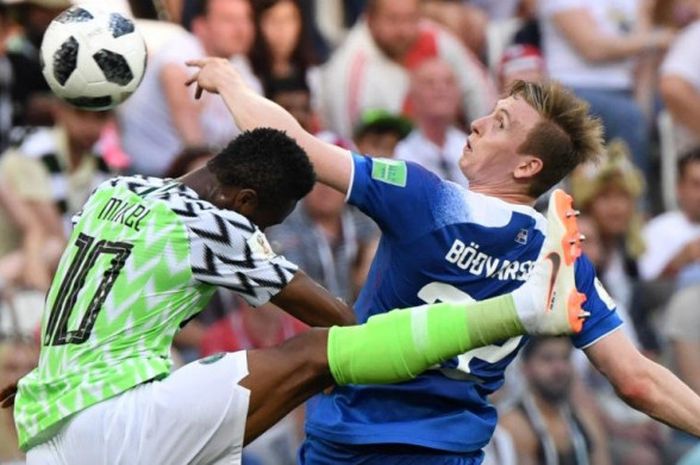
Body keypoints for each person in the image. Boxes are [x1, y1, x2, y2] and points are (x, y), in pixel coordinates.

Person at [185, 57, 700, 465]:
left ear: (527, 165)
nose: (475, 124)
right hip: (450, 452)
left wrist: (229, 81)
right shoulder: (559, 258)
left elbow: (292, 145)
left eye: (499, 123)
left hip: (352, 444)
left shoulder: (425, 196)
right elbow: (637, 380)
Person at [3, 122, 592, 464]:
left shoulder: (116, 191)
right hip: (118, 425)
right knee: (313, 354)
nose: (264, 233)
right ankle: (522, 307)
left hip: (51, 432)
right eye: (271, 222)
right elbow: (336, 319)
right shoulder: (219, 225)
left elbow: (78, 299)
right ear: (247, 201)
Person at [118, 0, 261, 176]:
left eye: (246, 19)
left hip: (194, 175)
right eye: (228, 20)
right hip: (147, 178)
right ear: (200, 26)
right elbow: (192, 141)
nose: (241, 29)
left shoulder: (243, 70)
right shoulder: (183, 48)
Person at [319, 0, 496, 138]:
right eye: (392, 20)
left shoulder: (431, 36)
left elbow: (480, 92)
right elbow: (352, 146)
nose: (403, 30)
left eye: (411, 19)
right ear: (370, 18)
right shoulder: (350, 68)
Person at [536, 0, 674, 174]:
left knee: (670, 105)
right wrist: (654, 39)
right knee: (629, 116)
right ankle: (636, 198)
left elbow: (644, 57)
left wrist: (642, 103)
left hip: (627, 90)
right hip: (574, 88)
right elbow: (592, 49)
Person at [500, 336, 612, 465]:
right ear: (525, 368)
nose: (559, 368)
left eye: (565, 358)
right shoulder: (513, 425)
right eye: (547, 359)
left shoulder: (587, 419)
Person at [394, 58, 468, 184]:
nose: (441, 89)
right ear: (413, 97)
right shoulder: (402, 156)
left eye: (449, 82)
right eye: (429, 83)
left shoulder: (471, 148)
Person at [639, 149, 700, 281]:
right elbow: (647, 291)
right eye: (696, 184)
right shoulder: (657, 230)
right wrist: (679, 262)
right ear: (679, 188)